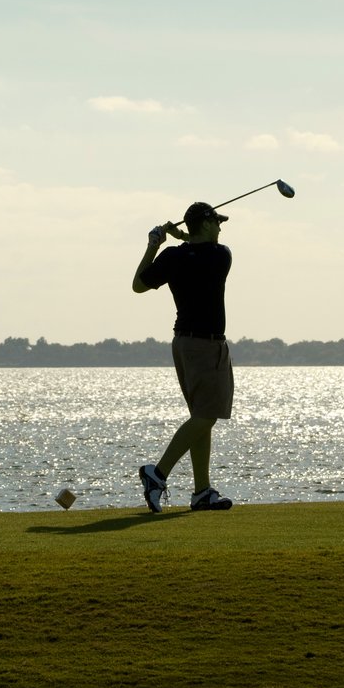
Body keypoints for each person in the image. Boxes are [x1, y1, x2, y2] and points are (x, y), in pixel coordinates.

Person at [131, 201, 235, 513]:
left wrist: (154, 245)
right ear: (204, 223)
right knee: (206, 417)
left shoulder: (172, 257)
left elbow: (138, 285)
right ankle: (157, 474)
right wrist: (181, 237)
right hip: (206, 345)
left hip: (183, 344)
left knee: (201, 419)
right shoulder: (221, 255)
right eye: (216, 220)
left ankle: (202, 492)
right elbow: (202, 248)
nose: (220, 226)